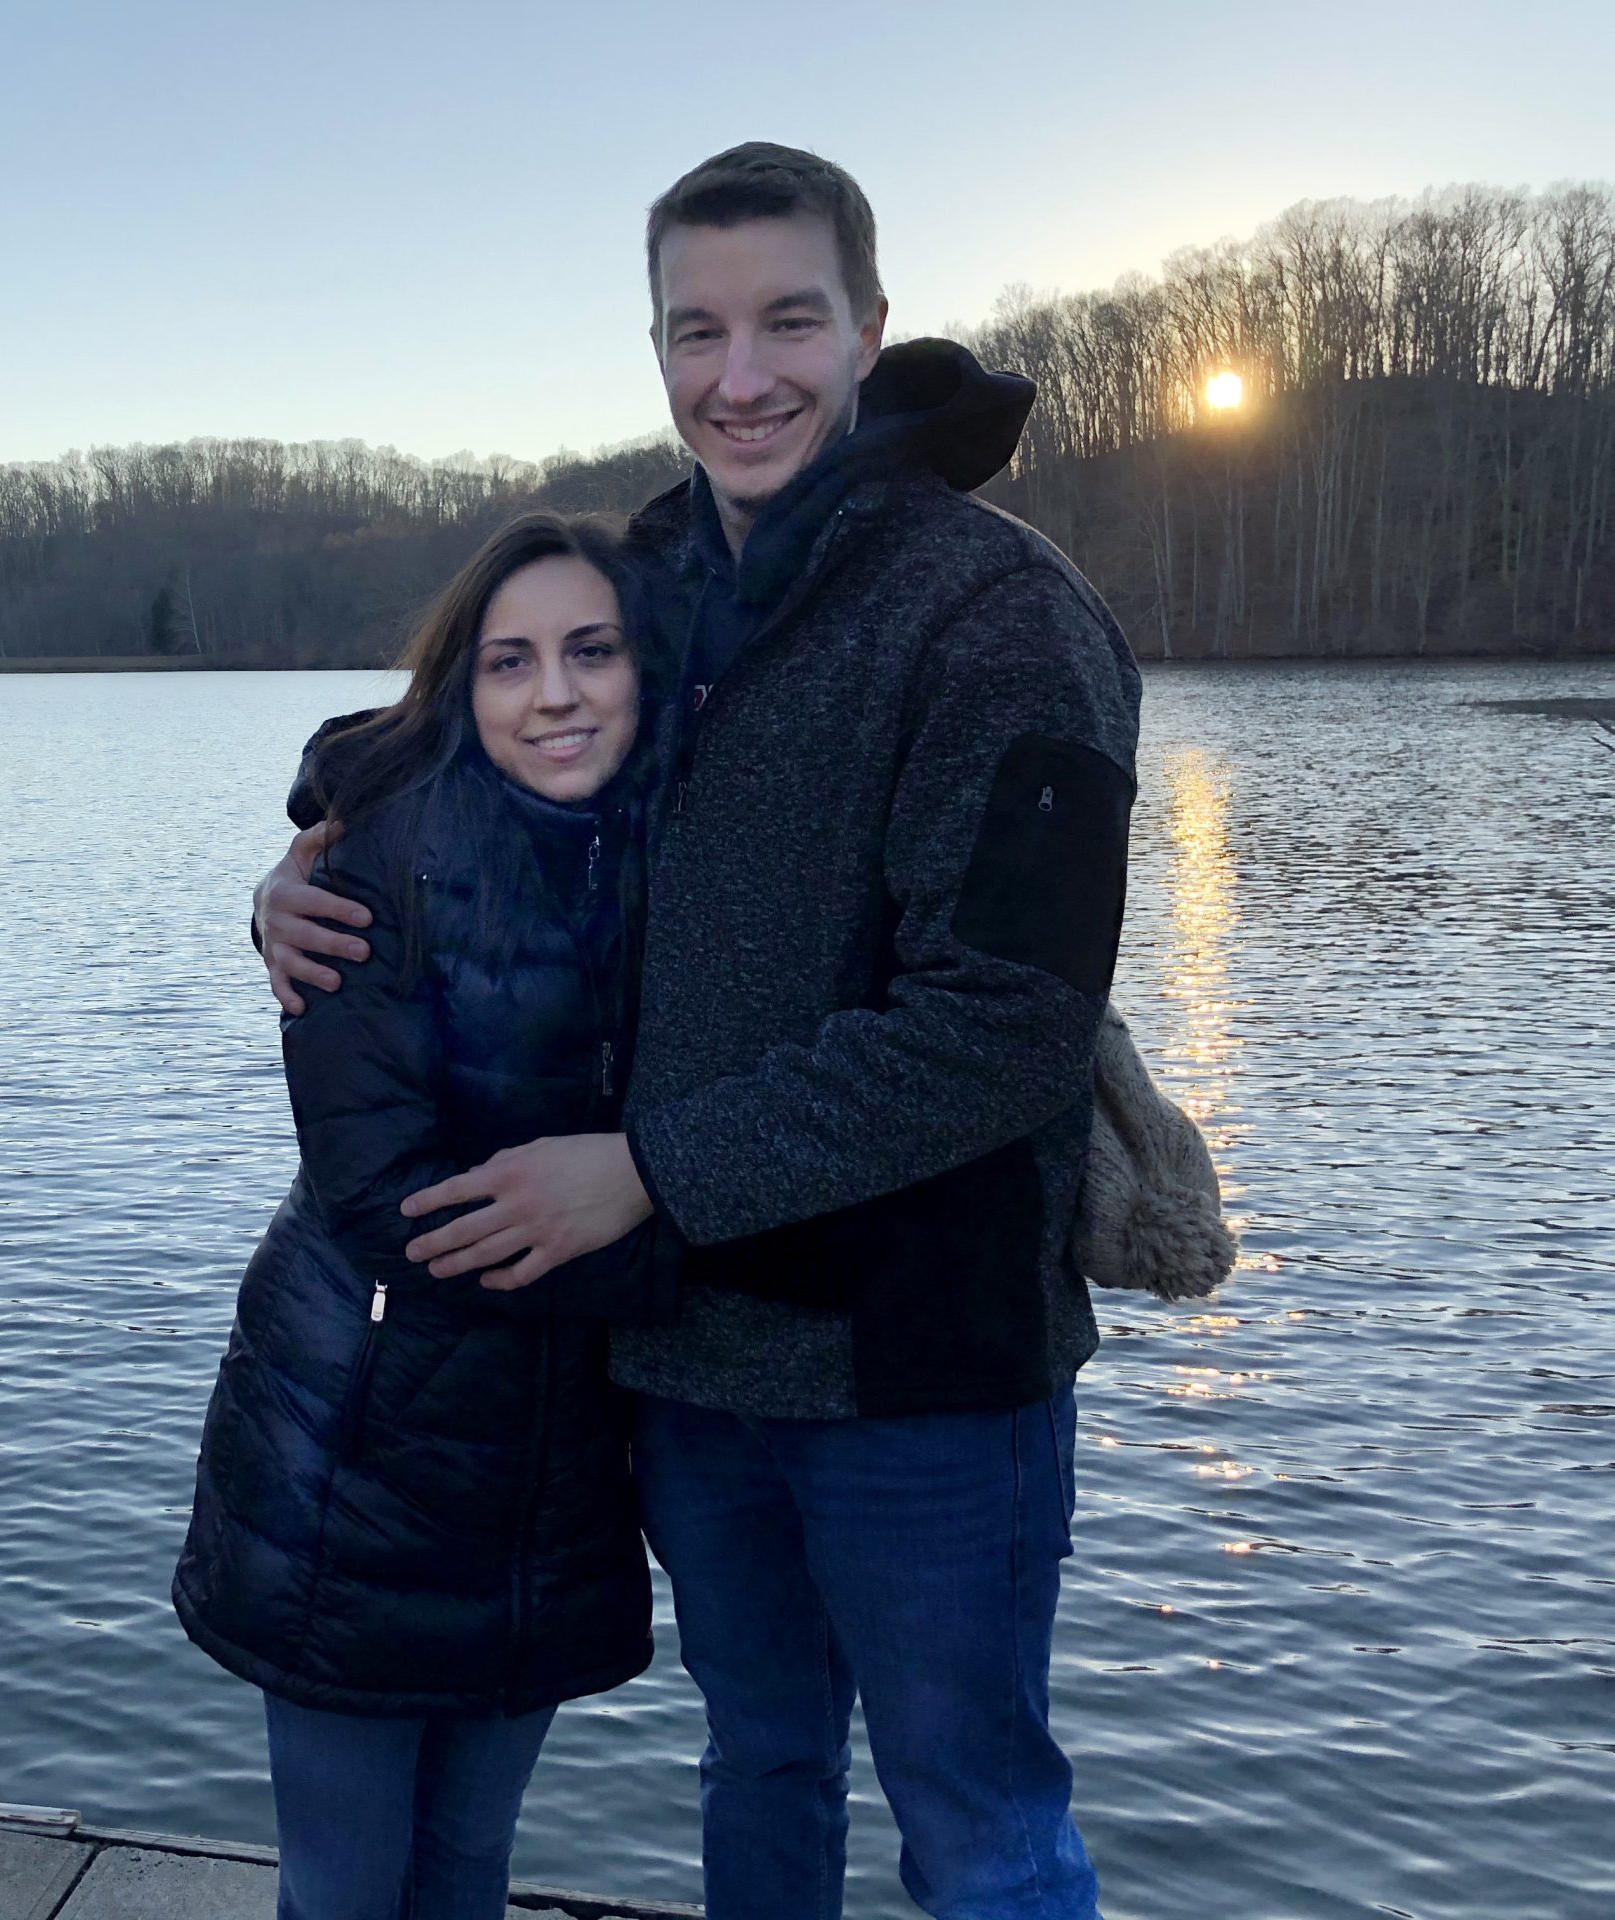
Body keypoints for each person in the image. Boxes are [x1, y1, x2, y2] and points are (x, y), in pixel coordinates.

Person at [256, 144, 1138, 1920]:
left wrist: (650, 1170)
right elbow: (453, 718)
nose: (741, 378)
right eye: (696, 332)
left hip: (922, 1363)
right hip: (684, 1354)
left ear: (868, 329)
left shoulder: (1005, 617)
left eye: (788, 323)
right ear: (656, 347)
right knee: (762, 1758)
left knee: (977, 1822)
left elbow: (1011, 1025)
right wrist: (312, 844)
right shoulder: (656, 577)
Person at [176, 513, 680, 1920]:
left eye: (593, 651)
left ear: (647, 671)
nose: (556, 693)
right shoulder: (372, 862)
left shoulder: (674, 858)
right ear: (462, 683)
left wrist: (658, 1181)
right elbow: (386, 1203)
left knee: (468, 1870)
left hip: (553, 1475)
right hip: (359, 1458)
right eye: (511, 660)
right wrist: (677, 1220)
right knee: (346, 1886)